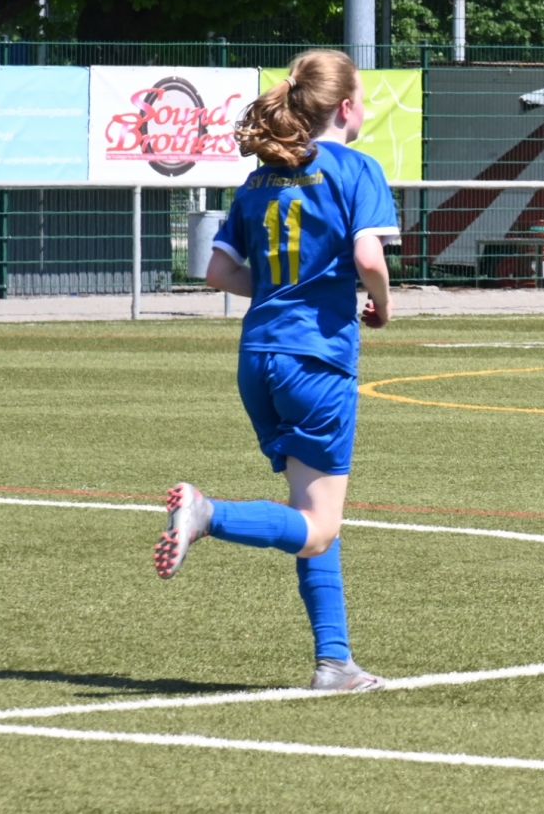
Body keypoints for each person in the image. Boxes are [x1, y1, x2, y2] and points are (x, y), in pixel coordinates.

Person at [152, 49, 399, 692]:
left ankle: (335, 662)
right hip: (315, 361)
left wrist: (278, 288)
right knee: (318, 526)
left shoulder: (259, 180)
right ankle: (208, 515)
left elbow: (217, 272)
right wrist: (382, 302)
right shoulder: (356, 169)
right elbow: (368, 256)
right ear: (346, 107)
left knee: (314, 514)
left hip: (258, 358)